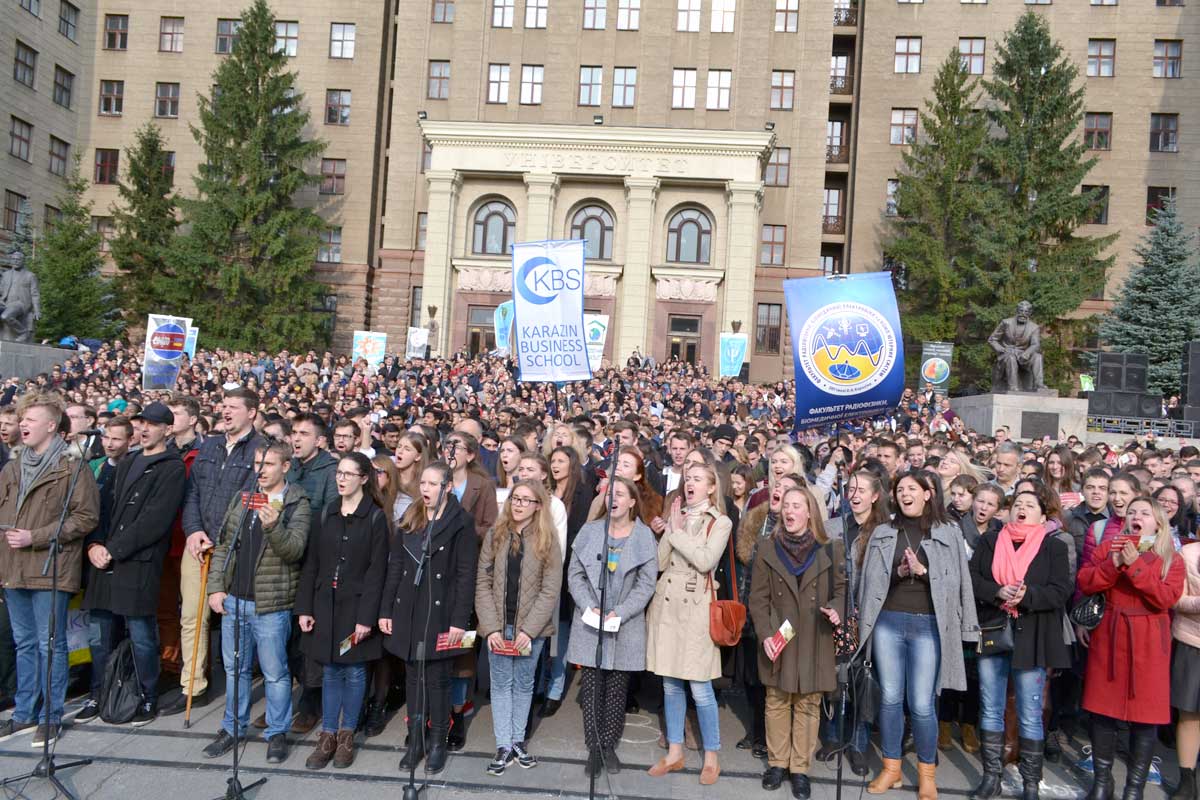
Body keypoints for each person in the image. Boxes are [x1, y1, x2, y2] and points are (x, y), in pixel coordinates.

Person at [858, 470, 979, 800]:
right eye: (900, 489)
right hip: (888, 622)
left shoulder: (949, 532)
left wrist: (924, 572)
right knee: (891, 697)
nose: (904, 494)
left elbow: (958, 584)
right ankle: (891, 768)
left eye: (912, 488)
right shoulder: (883, 531)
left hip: (928, 625)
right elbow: (869, 583)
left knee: (923, 703)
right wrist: (897, 573)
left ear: (928, 493)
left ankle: (927, 773)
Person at [202, 440, 310, 765]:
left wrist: (273, 526)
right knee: (236, 669)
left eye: (268, 464)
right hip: (235, 599)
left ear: (285, 467)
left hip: (271, 604)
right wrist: (216, 587)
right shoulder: (242, 497)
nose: (260, 471)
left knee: (275, 673)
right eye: (257, 464)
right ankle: (232, 728)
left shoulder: (296, 503)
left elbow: (294, 550)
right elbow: (224, 545)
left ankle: (276, 733)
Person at [0, 392, 99, 745]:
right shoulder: (12, 466)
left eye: (30, 419)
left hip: (49, 567)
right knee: (24, 642)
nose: (22, 424)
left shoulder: (73, 468)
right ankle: (24, 712)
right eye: (22, 418)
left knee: (49, 644)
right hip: (12, 566)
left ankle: (50, 715)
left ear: (51, 426)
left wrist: (36, 537)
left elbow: (86, 517)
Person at [80, 403, 186, 727]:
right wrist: (95, 544)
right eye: (143, 423)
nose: (145, 429)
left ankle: (146, 696)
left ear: (167, 429)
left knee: (141, 634)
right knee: (100, 634)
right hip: (106, 559)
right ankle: (99, 693)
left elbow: (155, 520)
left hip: (138, 562)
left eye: (153, 425)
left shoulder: (173, 467)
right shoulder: (127, 462)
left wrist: (113, 549)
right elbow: (104, 508)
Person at [968, 490, 1073, 800]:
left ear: (1043, 516)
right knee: (991, 706)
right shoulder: (990, 541)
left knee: (1029, 709)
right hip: (994, 629)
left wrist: (1026, 596)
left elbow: (1060, 590)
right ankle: (991, 777)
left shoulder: (1053, 546)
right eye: (1017, 505)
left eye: (1030, 506)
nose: (1022, 510)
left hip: (1034, 634)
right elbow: (972, 579)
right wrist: (998, 591)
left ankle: (1030, 783)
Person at [1079, 497, 1184, 800]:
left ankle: (1134, 787)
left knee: (1145, 716)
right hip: (1109, 635)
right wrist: (1113, 564)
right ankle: (1102, 782)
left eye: (1145, 513)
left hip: (1149, 640)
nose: (1136, 517)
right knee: (1102, 710)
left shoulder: (1170, 558)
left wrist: (1135, 565)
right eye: (1132, 512)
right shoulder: (1109, 547)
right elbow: (1086, 581)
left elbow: (1166, 598)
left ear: (1158, 523)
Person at [169, 387, 265, 716]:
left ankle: (238, 689)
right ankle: (193, 685)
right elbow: (192, 492)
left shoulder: (261, 449)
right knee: (192, 617)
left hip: (234, 548)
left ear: (251, 413)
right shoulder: (209, 445)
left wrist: (222, 538)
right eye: (223, 406)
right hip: (199, 544)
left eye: (234, 407)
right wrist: (194, 530)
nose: (226, 411)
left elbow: (254, 498)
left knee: (236, 621)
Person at [380, 462, 477, 776]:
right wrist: (386, 610)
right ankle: (416, 740)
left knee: (437, 679)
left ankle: (438, 741)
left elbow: (465, 575)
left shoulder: (461, 523)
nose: (425, 489)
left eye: (433, 484)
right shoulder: (411, 517)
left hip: (442, 611)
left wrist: (458, 621)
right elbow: (395, 565)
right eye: (423, 482)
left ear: (447, 487)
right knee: (412, 678)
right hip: (408, 607)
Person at [749, 485, 845, 800]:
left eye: (796, 506)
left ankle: (799, 768)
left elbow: (843, 591)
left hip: (815, 636)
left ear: (809, 512)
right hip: (780, 634)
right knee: (776, 700)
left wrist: (837, 610)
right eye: (786, 505)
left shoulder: (830, 548)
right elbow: (758, 599)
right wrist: (765, 634)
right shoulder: (766, 547)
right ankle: (777, 764)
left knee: (808, 704)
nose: (789, 511)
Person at [296, 451, 389, 770]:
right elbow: (312, 565)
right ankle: (328, 734)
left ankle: (347, 733)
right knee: (331, 669)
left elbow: (378, 572)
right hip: (326, 605)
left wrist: (367, 618)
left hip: (355, 608)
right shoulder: (325, 514)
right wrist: (305, 606)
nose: (341, 478)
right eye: (339, 472)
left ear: (364, 478)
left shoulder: (376, 518)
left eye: (349, 474)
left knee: (354, 670)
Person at [645, 461, 732, 786]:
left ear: (711, 486)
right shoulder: (676, 517)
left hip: (697, 607)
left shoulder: (720, 522)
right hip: (668, 605)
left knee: (700, 686)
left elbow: (706, 560)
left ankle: (711, 756)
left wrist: (677, 531)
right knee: (670, 684)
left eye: (697, 479)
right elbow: (659, 561)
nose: (690, 483)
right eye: (687, 479)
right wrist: (672, 526)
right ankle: (675, 752)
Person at [567, 476, 658, 777]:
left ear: (632, 501)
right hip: (591, 621)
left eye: (620, 494)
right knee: (592, 687)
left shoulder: (644, 536)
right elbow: (575, 574)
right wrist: (587, 605)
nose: (613, 499)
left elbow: (646, 584)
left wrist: (621, 611)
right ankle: (594, 748)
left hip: (625, 624)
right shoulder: (591, 530)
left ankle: (608, 745)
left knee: (617, 690)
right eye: (609, 494)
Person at [475, 479, 562, 776]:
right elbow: (483, 584)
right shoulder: (495, 535)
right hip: (499, 625)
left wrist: (529, 631)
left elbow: (550, 590)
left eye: (526, 500)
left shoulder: (547, 540)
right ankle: (504, 744)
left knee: (524, 685)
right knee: (501, 685)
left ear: (539, 506)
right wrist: (490, 628)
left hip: (530, 629)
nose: (519, 504)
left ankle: (516, 740)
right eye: (515, 498)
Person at [733, 472, 807, 761]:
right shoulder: (756, 520)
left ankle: (778, 740)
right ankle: (756, 731)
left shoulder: (798, 530)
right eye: (778, 488)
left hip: (785, 621)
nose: (780, 493)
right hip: (754, 611)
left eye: (789, 491)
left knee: (778, 680)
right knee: (753, 676)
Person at [1173, 539, 1200, 800]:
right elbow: (1177, 600)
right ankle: (1187, 780)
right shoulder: (1189, 553)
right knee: (1190, 714)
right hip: (1192, 643)